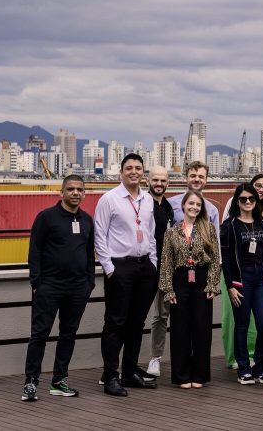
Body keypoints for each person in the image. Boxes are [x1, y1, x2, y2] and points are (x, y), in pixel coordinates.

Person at [22, 175, 95, 402]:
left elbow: (89, 253)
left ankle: (58, 381)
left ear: (84, 193)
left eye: (79, 190)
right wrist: (37, 284)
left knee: (68, 335)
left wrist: (89, 283)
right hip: (49, 287)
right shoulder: (46, 218)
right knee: (39, 335)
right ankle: (31, 383)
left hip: (77, 288)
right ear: (61, 192)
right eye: (71, 189)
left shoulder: (86, 220)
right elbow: (34, 251)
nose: (75, 193)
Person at [95, 154, 158, 397]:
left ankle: (130, 371)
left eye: (138, 168)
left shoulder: (148, 200)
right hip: (120, 268)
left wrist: (152, 263)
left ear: (143, 172)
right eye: (129, 168)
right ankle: (110, 376)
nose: (134, 172)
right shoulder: (109, 199)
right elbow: (100, 235)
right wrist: (109, 268)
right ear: (121, 172)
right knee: (115, 323)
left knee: (137, 323)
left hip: (144, 268)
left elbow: (150, 234)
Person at [158, 190, 220, 388]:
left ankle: (200, 375)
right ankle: (182, 375)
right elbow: (166, 262)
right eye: (191, 204)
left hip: (201, 280)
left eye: (198, 205)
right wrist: (168, 289)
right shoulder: (171, 232)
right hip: (180, 280)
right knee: (180, 329)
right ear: (183, 206)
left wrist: (212, 283)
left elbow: (215, 259)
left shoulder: (208, 229)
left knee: (202, 329)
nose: (194, 207)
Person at [221, 182, 263, 385]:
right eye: (243, 199)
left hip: (261, 278)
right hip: (241, 280)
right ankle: (244, 368)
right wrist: (230, 286)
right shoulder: (230, 225)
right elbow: (226, 259)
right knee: (242, 325)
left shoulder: (261, 223)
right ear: (237, 201)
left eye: (251, 199)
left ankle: (260, 367)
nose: (247, 202)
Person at [146, 166, 174, 378]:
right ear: (148, 180)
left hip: (166, 269)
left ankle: (155, 358)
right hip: (144, 267)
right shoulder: (141, 203)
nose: (159, 183)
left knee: (162, 315)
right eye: (155, 180)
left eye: (163, 180)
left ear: (168, 183)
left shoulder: (168, 208)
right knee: (131, 316)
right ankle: (116, 367)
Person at [167, 161, 220, 229]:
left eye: (201, 177)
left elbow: (215, 239)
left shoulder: (212, 210)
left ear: (206, 180)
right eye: (193, 176)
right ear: (186, 178)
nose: (197, 179)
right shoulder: (170, 204)